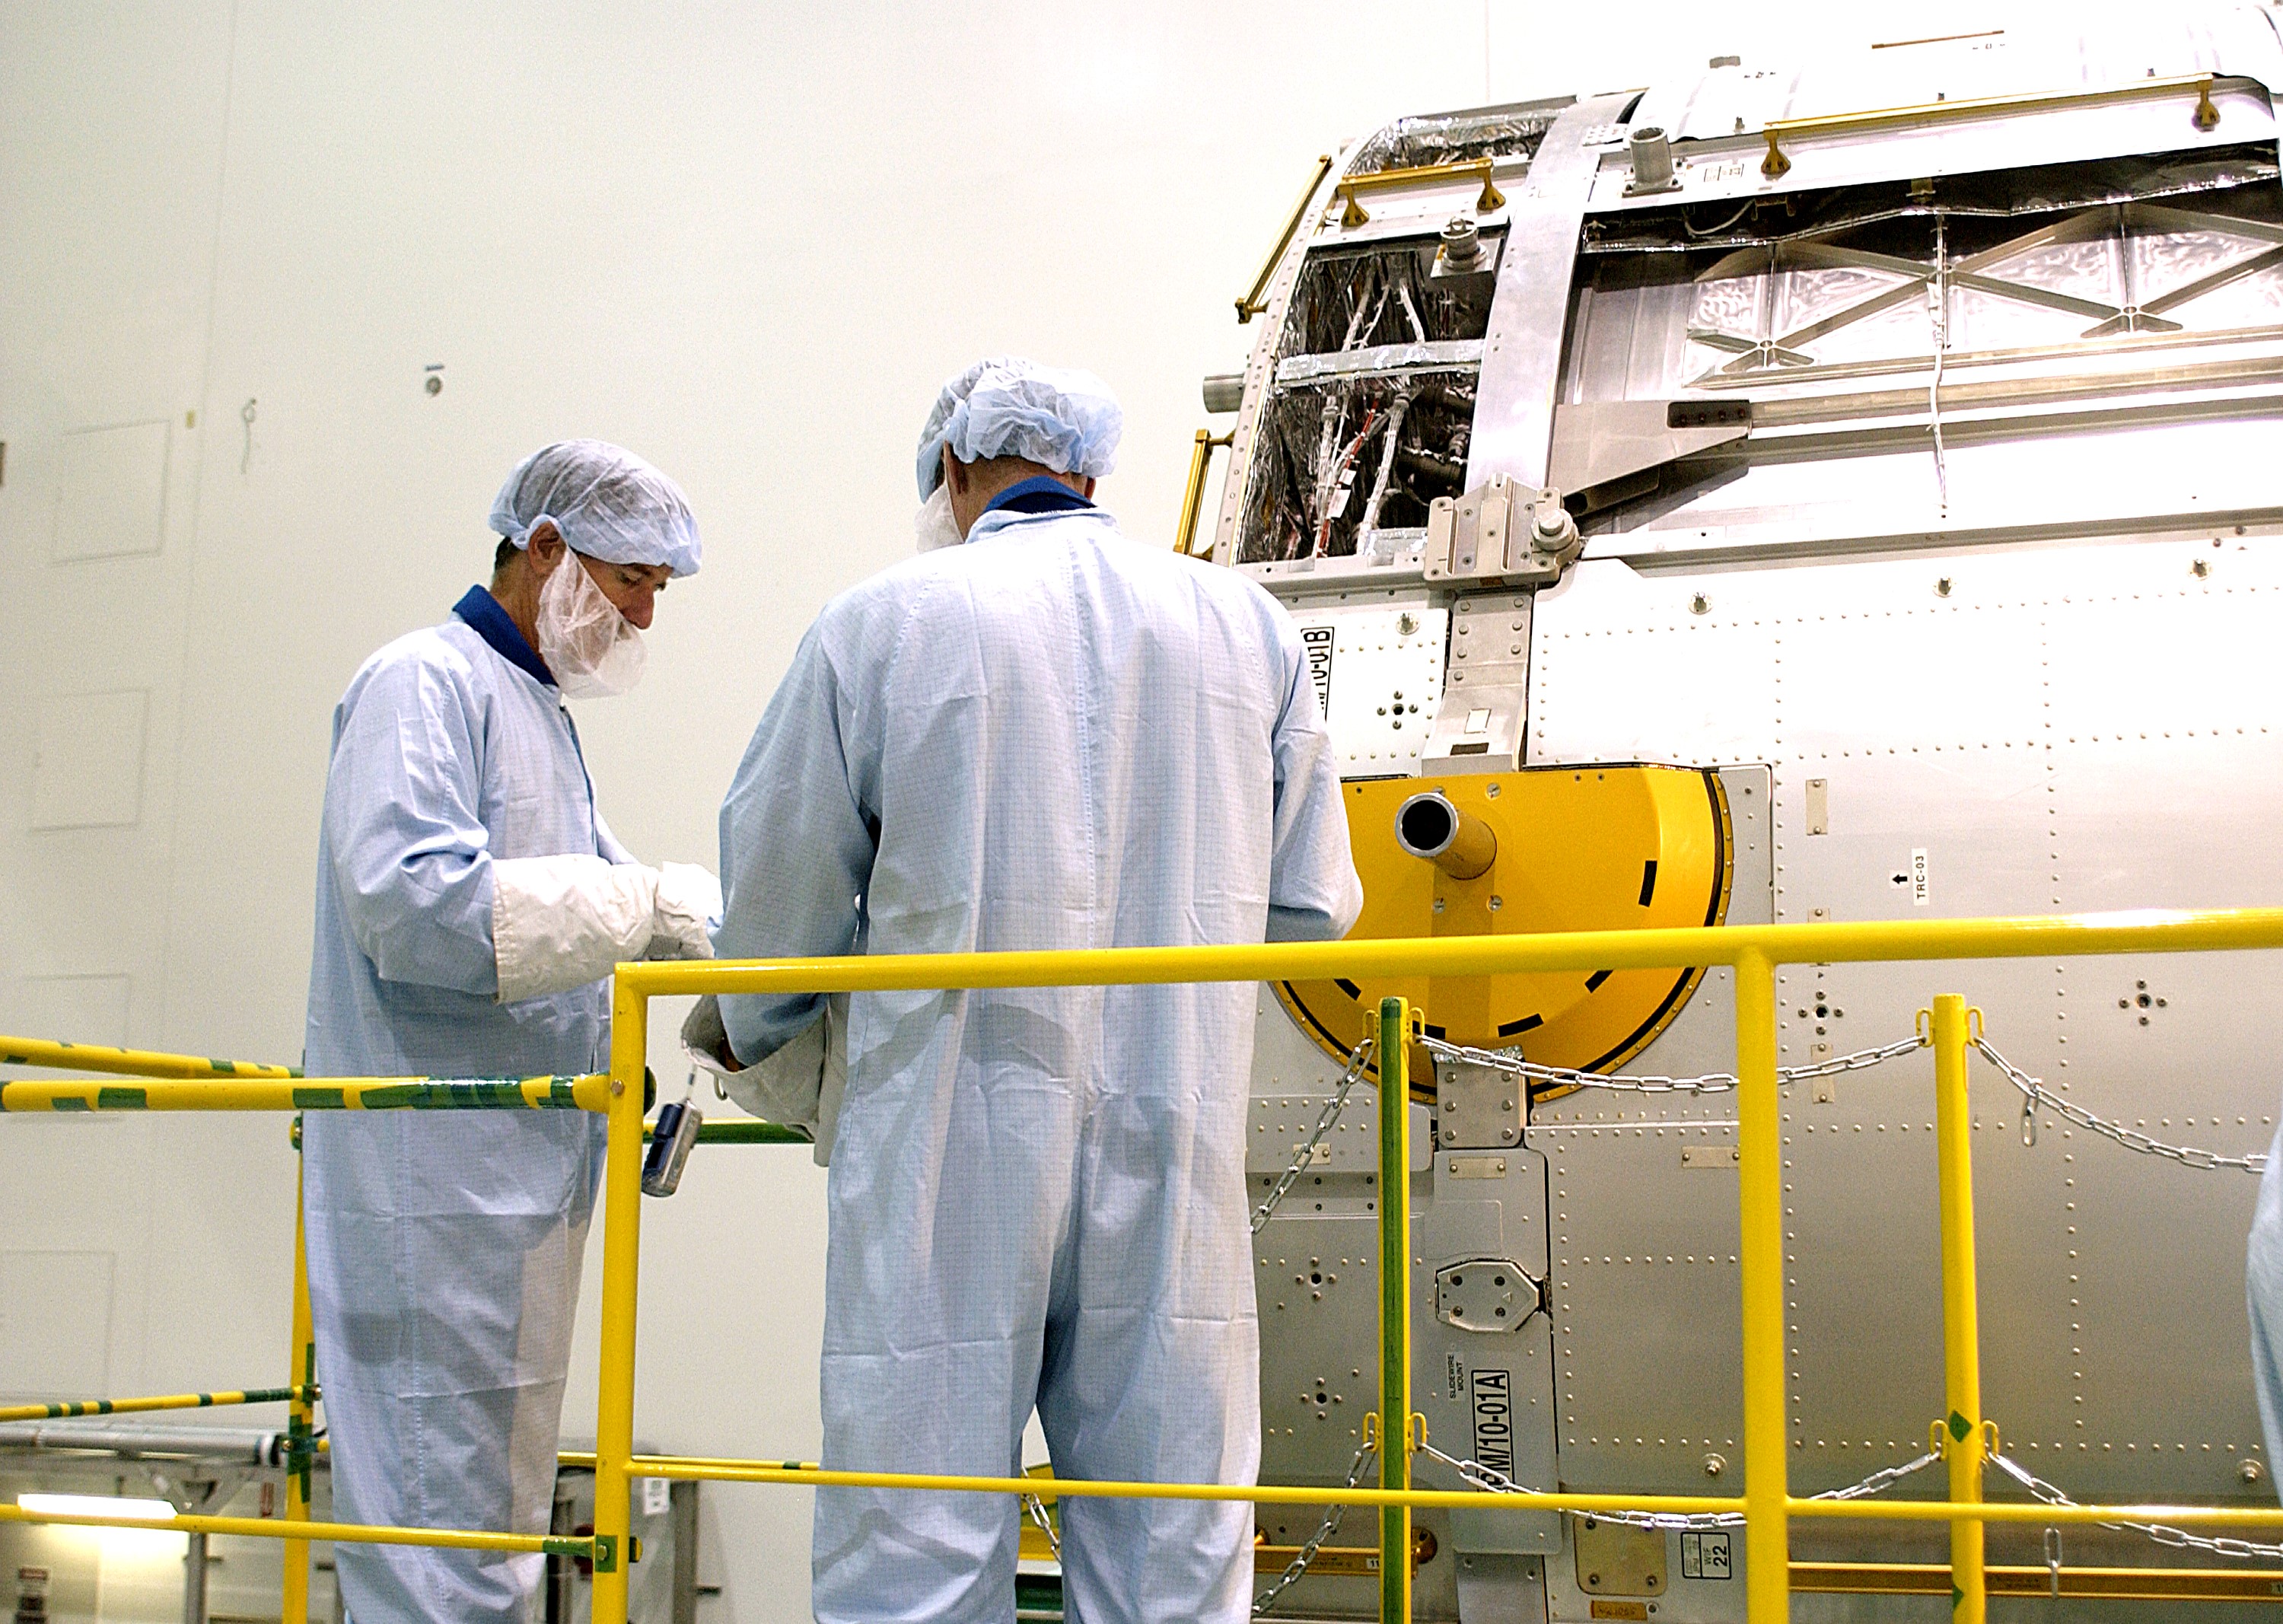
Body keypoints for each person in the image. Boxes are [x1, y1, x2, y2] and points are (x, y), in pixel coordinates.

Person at [689, 358, 1362, 1623]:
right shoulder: (1244, 625)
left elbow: (775, 900)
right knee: (1173, 1540)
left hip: (948, 1133)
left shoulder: (879, 622)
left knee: (918, 1534)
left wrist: (765, 1041)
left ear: (951, 469)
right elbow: (1318, 903)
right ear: (1094, 471)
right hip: (1177, 1123)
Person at [301, 440, 719, 1624]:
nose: (643, 614)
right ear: (544, 548)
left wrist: (742, 940)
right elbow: (415, 907)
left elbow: (609, 895)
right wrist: (651, 906)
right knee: (438, 1538)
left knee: (489, 1529)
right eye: (631, 578)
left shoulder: (533, 711)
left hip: (515, 1187)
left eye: (658, 592)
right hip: (426, 1184)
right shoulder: (418, 683)